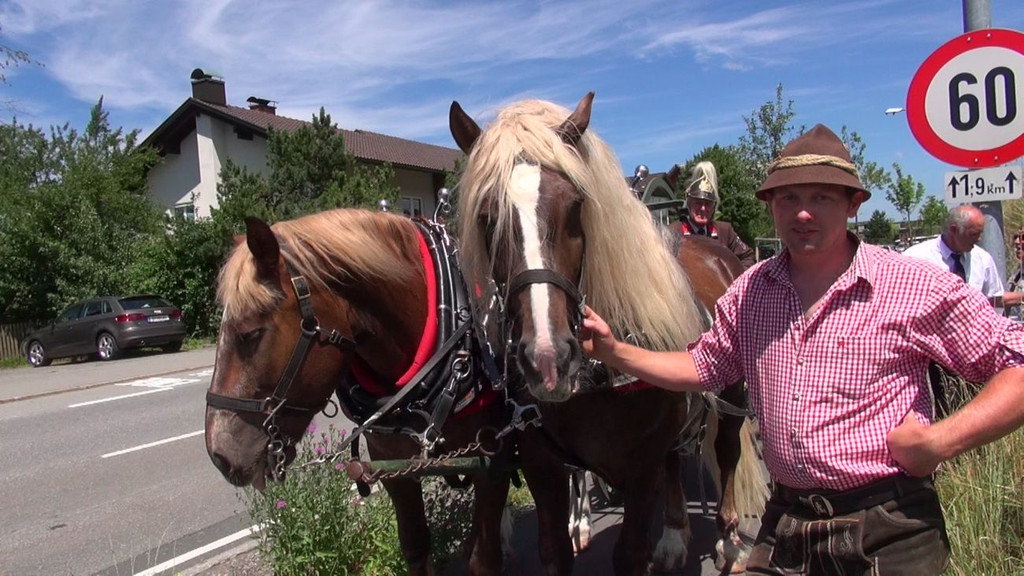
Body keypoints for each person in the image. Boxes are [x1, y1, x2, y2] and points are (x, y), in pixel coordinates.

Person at [580, 124, 1024, 574]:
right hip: (788, 521)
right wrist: (615, 351)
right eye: (789, 198)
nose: (803, 213)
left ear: (853, 204)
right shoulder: (752, 291)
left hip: (887, 526)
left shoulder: (910, 285)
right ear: (770, 205)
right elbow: (703, 365)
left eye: (822, 198)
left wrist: (940, 442)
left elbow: (1017, 362)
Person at [902, 205, 1024, 309]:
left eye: (980, 233)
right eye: (973, 234)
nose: (979, 239)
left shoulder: (982, 259)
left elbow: (993, 299)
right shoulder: (915, 258)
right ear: (953, 229)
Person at [669, 161, 756, 269]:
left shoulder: (725, 232)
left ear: (714, 207)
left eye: (708, 204)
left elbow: (748, 257)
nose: (703, 208)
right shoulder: (672, 233)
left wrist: (738, 278)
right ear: (689, 204)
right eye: (698, 203)